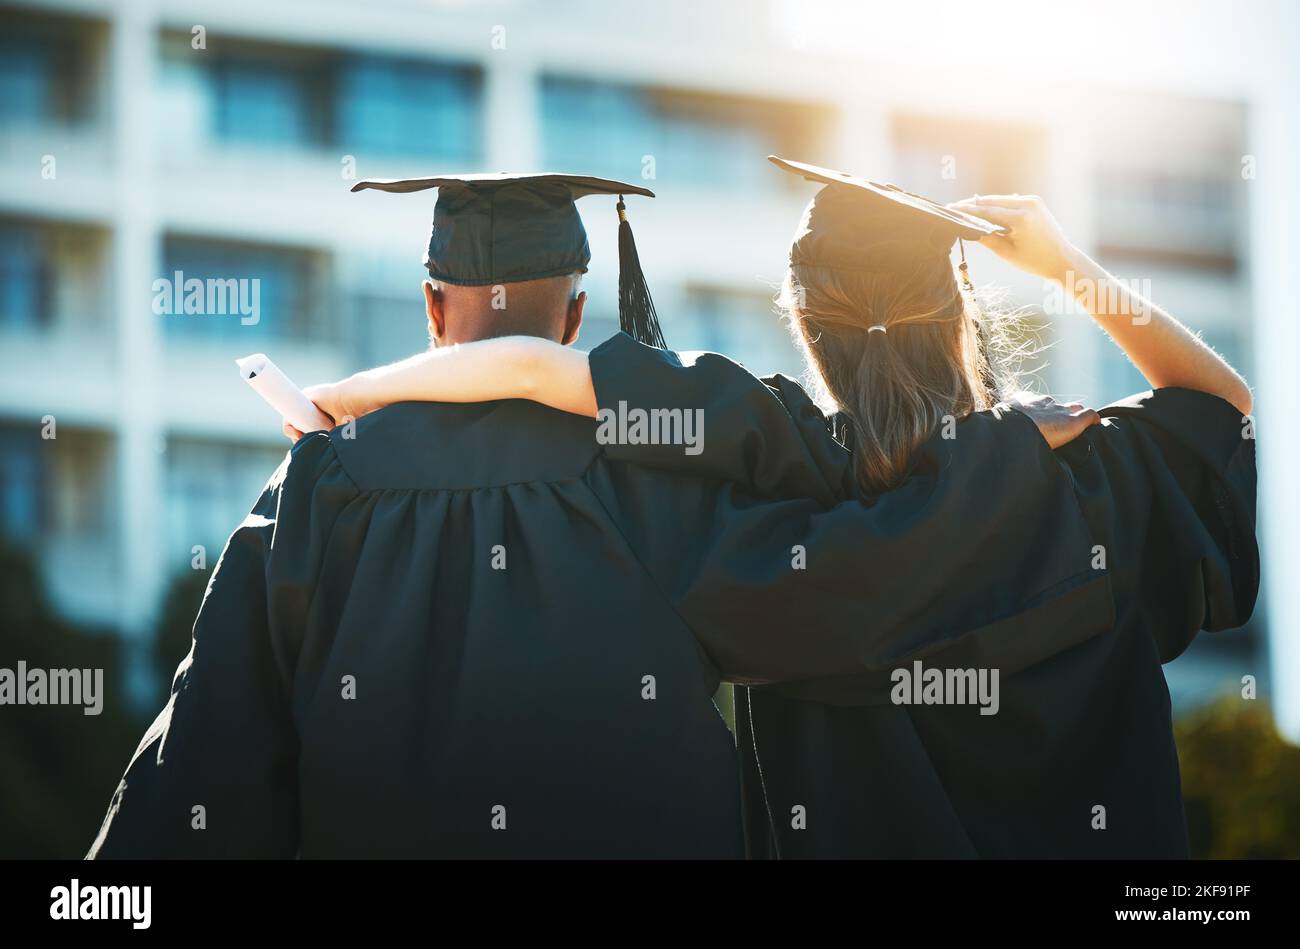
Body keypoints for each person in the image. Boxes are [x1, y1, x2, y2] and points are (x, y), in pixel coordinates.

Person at [89, 171, 1086, 859]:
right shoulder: (660, 469)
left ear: (435, 308)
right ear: (576, 313)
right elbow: (852, 588)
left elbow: (208, 764)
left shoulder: (319, 484)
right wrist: (986, 459)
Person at [296, 159, 1258, 857]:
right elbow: (1221, 405)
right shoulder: (1092, 477)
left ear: (804, 324)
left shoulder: (776, 493)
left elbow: (539, 371)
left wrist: (354, 397)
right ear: (959, 315)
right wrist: (1061, 263)